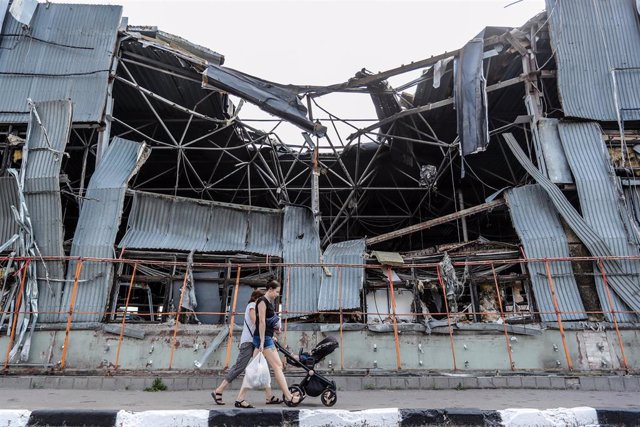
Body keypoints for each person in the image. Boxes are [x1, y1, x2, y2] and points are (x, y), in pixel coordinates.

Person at [234, 280, 300, 408]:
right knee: (278, 366)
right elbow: (262, 322)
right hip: (263, 339)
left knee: (253, 370)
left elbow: (267, 322)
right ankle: (289, 397)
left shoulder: (267, 302)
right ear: (270, 289)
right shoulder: (262, 302)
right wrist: (263, 342)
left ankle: (240, 399)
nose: (277, 294)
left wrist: (275, 330)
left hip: (265, 338)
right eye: (276, 292)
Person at [211, 289, 282, 405]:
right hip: (249, 342)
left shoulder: (257, 306)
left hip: (257, 342)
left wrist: (271, 332)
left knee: (263, 367)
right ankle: (219, 390)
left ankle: (269, 396)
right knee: (240, 367)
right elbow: (257, 322)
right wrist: (270, 331)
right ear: (257, 298)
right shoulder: (252, 305)